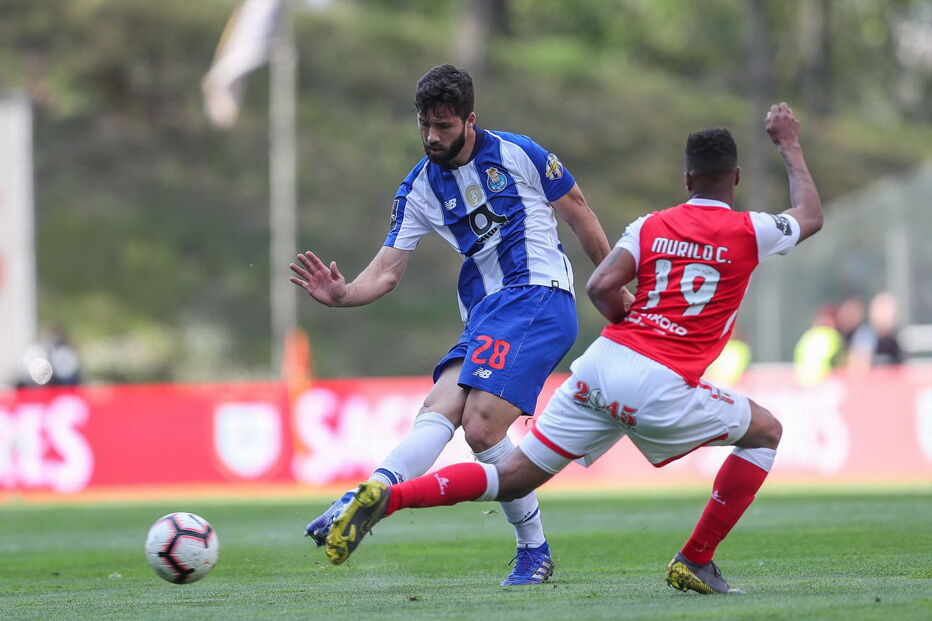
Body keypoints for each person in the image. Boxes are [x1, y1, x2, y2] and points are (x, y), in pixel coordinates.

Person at [323, 103, 824, 595]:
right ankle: (696, 558)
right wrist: (789, 144)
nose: (431, 134)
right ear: (734, 179)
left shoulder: (650, 226)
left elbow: (603, 284)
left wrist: (630, 320)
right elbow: (809, 215)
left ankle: (388, 499)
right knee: (765, 433)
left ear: (687, 180)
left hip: (603, 363)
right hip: (657, 378)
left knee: (511, 474)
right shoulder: (751, 230)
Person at [289, 64, 616, 585]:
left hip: (538, 298)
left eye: (443, 126)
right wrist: (344, 293)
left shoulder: (518, 153)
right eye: (424, 125)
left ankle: (532, 550)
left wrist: (612, 292)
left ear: (470, 121)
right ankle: (367, 494)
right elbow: (387, 272)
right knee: (439, 410)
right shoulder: (419, 187)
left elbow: (581, 214)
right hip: (485, 313)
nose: (431, 137)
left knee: (483, 426)